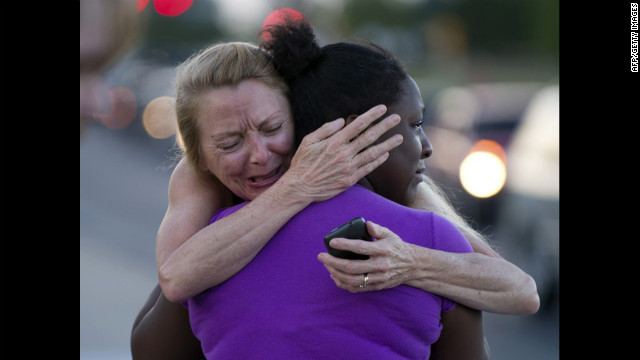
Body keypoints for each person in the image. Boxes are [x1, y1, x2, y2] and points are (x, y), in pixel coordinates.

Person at [188, 20, 488, 359]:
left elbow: (151, 345)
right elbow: (516, 292)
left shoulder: (215, 245)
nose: (427, 146)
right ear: (358, 132)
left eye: (272, 128)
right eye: (415, 125)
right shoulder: (434, 238)